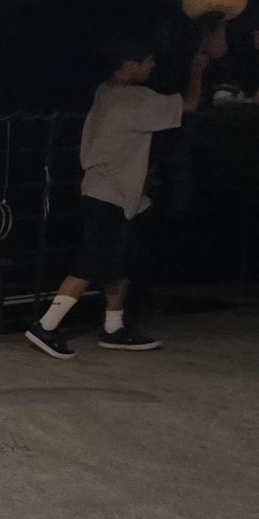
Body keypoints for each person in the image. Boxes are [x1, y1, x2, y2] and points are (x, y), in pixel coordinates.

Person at [24, 27, 216, 358]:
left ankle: (114, 327)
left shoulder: (106, 91)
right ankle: (46, 326)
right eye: (147, 61)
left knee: (121, 261)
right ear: (129, 64)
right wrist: (197, 71)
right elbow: (189, 103)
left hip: (113, 192)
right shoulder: (133, 99)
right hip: (111, 193)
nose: (152, 65)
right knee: (92, 261)